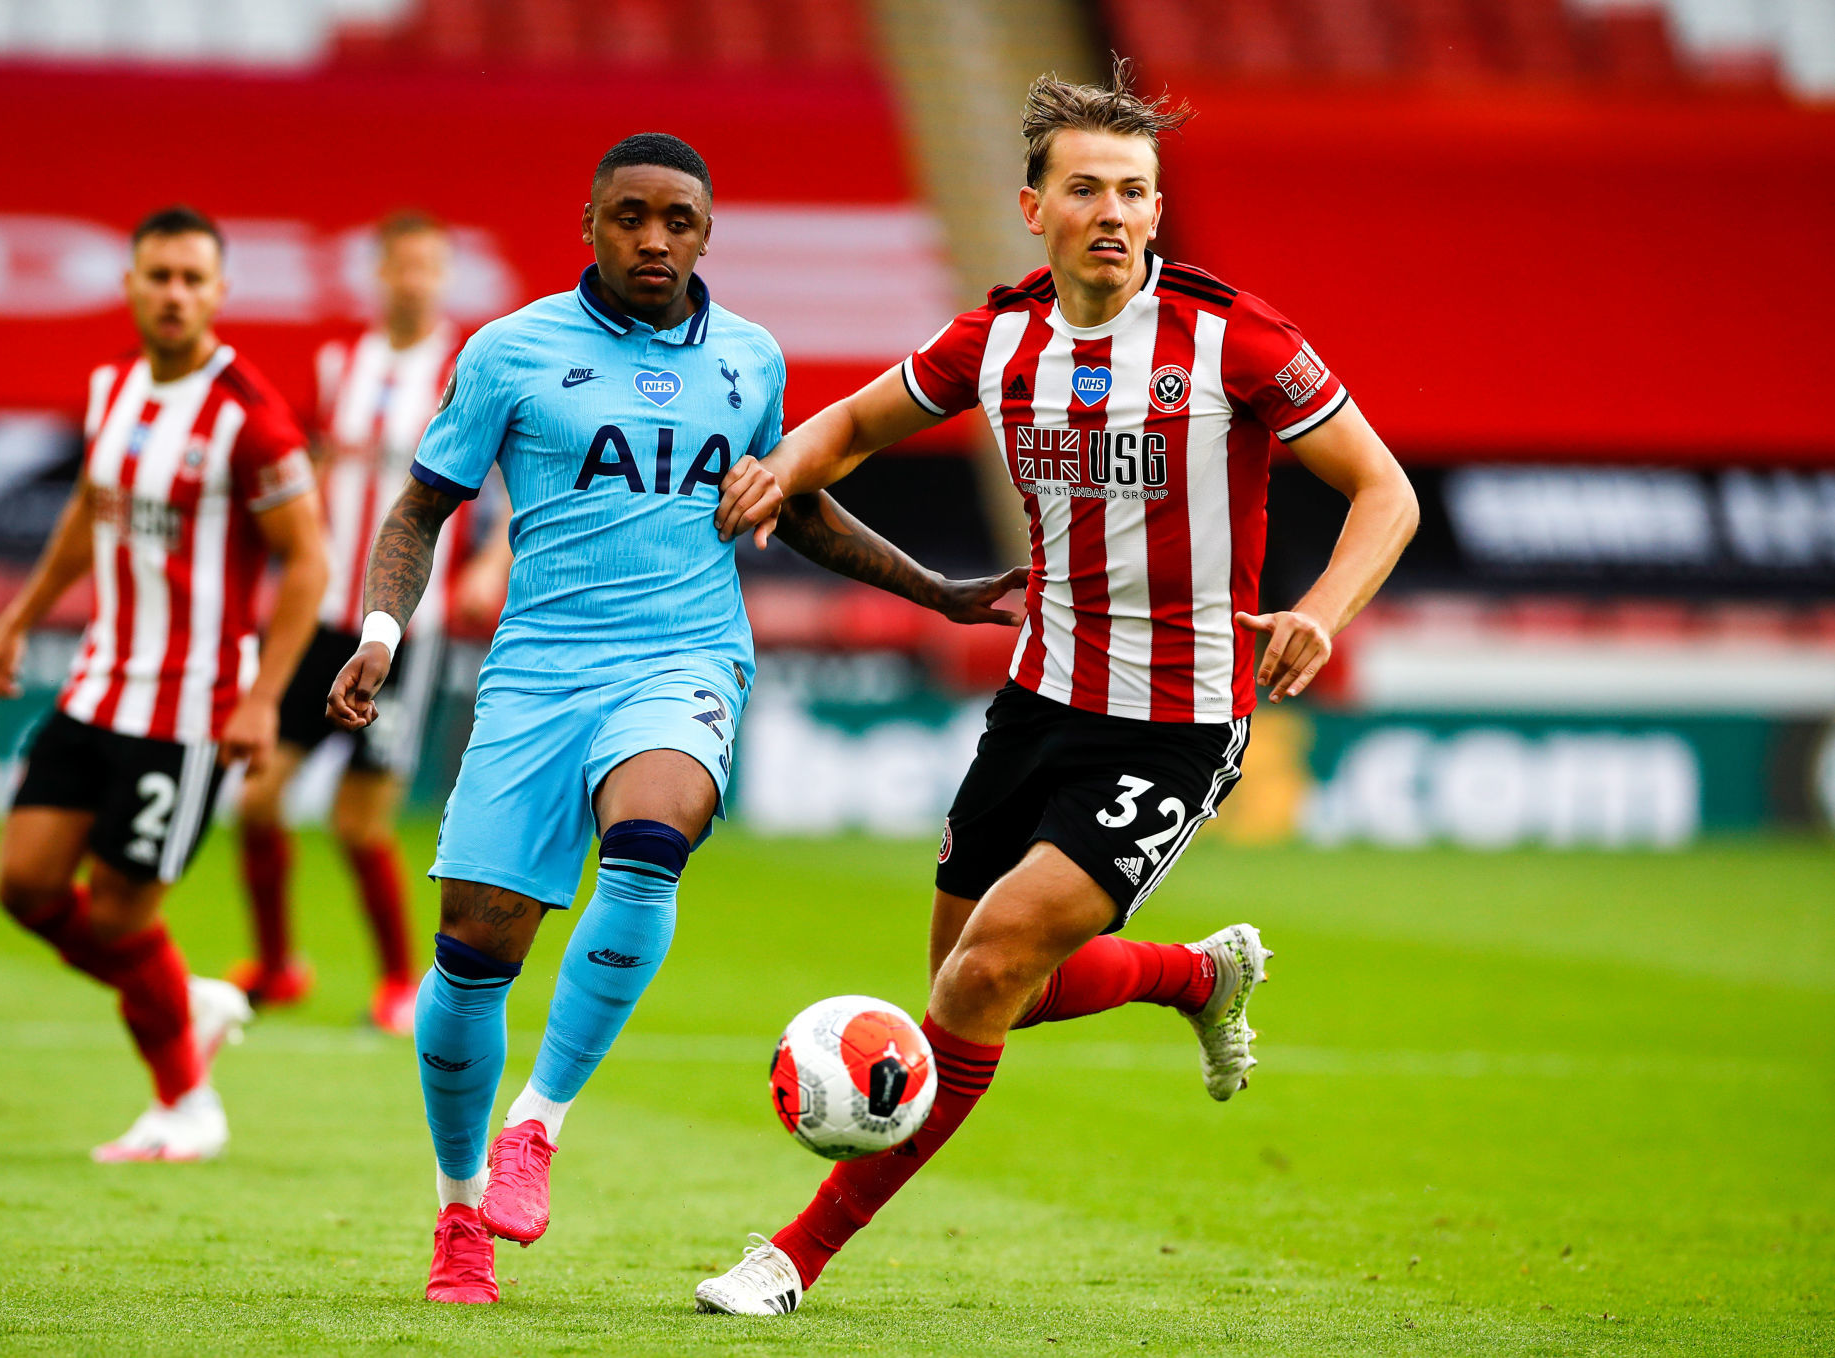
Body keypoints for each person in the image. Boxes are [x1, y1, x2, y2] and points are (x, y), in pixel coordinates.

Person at [695, 63, 1421, 1313]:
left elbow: (1386, 492)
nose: (1116, 212)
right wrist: (779, 467)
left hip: (1179, 720)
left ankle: (790, 1256)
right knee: (986, 994)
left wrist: (1317, 610)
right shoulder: (998, 337)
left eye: (1136, 190)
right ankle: (1195, 975)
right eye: (1086, 188)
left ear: (1157, 208)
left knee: (977, 984)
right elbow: (858, 425)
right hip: (1040, 702)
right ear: (1033, 206)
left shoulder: (1234, 336)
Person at [322, 132, 1024, 1304]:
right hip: (537, 675)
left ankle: (537, 1125)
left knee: (653, 835)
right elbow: (417, 512)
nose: (655, 238)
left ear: (707, 231)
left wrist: (941, 590)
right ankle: (459, 1212)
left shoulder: (750, 359)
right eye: (631, 216)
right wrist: (382, 636)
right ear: (588, 225)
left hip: (684, 657)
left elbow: (791, 507)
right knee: (473, 953)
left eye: (679, 219)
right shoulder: (509, 353)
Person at [0, 205, 329, 1162]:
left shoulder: (248, 418)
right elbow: (90, 517)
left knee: (124, 915)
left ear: (218, 293)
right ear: (129, 284)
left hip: (188, 710)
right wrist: (15, 622)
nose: (174, 294)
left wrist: (262, 698)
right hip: (95, 687)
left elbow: (309, 562)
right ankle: (189, 998)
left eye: (192, 279)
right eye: (158, 276)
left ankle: (186, 1107)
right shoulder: (112, 390)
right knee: (24, 885)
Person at [228, 211, 512, 1035]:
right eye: (400, 266)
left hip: (405, 630)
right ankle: (278, 964)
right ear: (378, 273)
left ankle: (396, 982)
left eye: (428, 266)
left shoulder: (468, 369)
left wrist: (489, 566)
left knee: (358, 821)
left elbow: (507, 485)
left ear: (444, 276)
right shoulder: (336, 364)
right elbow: (311, 465)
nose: (412, 280)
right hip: (321, 617)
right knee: (255, 801)